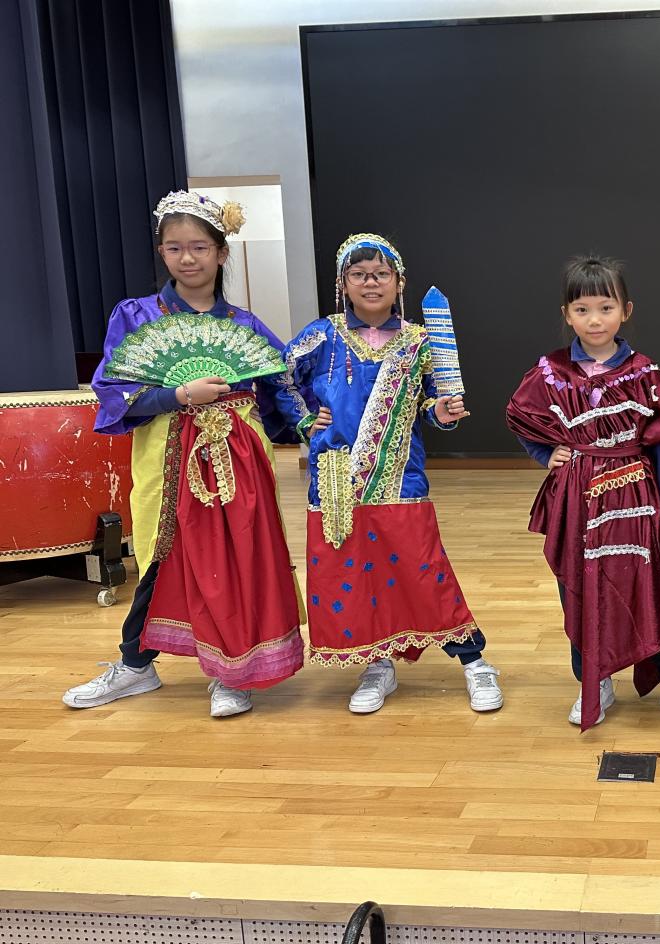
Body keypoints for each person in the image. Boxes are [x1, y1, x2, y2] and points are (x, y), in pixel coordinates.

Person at [63, 191, 305, 717]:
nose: (187, 258)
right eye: (174, 248)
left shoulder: (243, 325)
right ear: (161, 252)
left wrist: (314, 422)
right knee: (161, 556)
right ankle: (135, 665)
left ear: (221, 253)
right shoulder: (135, 316)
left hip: (238, 460)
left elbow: (283, 390)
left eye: (199, 247)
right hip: (167, 456)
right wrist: (176, 394)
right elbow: (113, 392)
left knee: (237, 559)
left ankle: (233, 672)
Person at [506, 255, 660, 730]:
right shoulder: (551, 371)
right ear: (567, 314)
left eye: (605, 308)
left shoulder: (644, 372)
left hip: (635, 496)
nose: (595, 320)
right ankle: (595, 680)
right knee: (580, 588)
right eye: (583, 309)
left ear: (625, 311)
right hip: (575, 499)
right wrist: (545, 455)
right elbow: (520, 416)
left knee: (655, 586)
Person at [284, 233, 502, 714]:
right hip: (337, 478)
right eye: (359, 274)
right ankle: (376, 664)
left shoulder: (420, 340)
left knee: (422, 570)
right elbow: (281, 382)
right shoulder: (321, 336)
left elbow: (432, 402)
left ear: (398, 282)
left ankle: (474, 660)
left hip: (401, 476)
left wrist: (441, 411)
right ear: (343, 283)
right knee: (352, 575)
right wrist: (304, 419)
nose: (371, 282)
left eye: (381, 274)